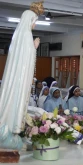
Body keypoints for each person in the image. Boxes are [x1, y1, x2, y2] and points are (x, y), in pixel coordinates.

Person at [0, 1, 43, 150]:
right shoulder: (25, 35)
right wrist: (34, 47)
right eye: (34, 22)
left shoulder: (19, 35)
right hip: (19, 80)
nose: (35, 25)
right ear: (29, 20)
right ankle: (11, 131)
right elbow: (26, 60)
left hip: (16, 78)